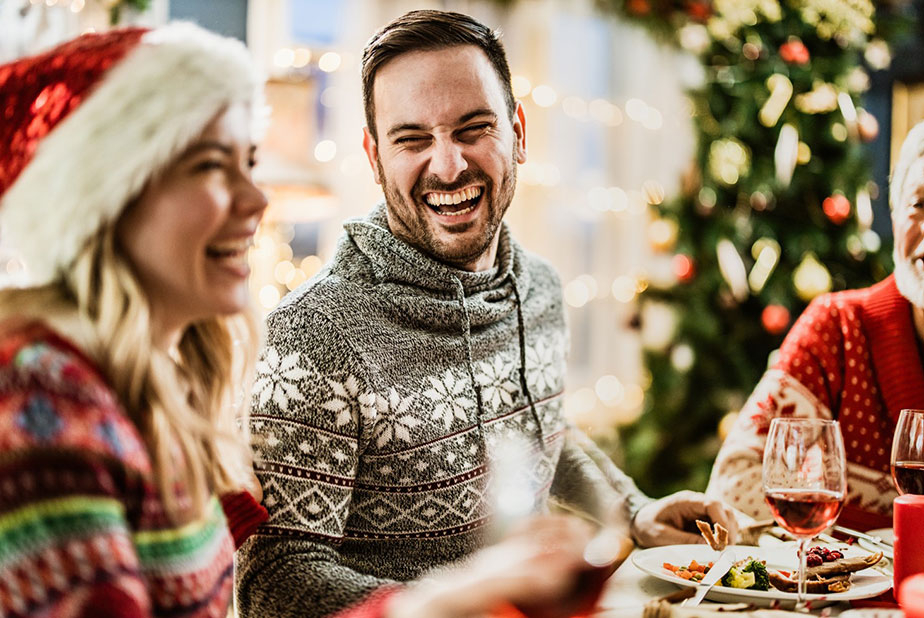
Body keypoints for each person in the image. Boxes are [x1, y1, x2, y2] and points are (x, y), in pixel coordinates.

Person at [235, 9, 737, 618]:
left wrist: (636, 509)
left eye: (473, 128)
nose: (448, 166)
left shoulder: (543, 288)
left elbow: (543, 433)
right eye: (412, 139)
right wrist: (457, 604)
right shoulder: (316, 332)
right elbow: (272, 583)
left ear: (518, 131)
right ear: (374, 156)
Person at [0, 23, 270, 616]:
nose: (256, 200)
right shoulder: (41, 399)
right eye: (208, 165)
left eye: (249, 160)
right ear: (108, 196)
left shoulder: (159, 382)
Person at [706, 120, 924, 532]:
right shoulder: (837, 330)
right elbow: (733, 488)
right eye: (920, 205)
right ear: (894, 217)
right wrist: (886, 533)